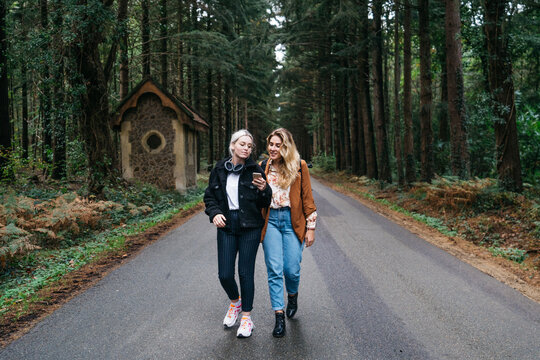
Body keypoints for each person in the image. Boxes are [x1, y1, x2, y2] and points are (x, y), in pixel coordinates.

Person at [204, 129, 271, 338]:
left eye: (250, 146)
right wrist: (214, 213)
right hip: (226, 225)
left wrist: (263, 189)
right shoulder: (219, 169)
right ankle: (235, 302)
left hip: (250, 225)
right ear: (233, 145)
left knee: (245, 273)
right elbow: (209, 197)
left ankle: (246, 318)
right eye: (242, 144)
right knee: (224, 274)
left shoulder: (255, 169)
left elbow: (265, 202)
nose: (246, 149)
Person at [259, 128, 317, 338]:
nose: (273, 149)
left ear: (286, 147)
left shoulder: (299, 167)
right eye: (271, 144)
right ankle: (279, 315)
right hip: (271, 221)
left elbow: (308, 199)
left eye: (278, 145)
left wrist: (311, 228)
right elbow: (257, 199)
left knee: (291, 269)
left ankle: (292, 295)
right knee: (274, 269)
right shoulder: (263, 167)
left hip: (293, 222)